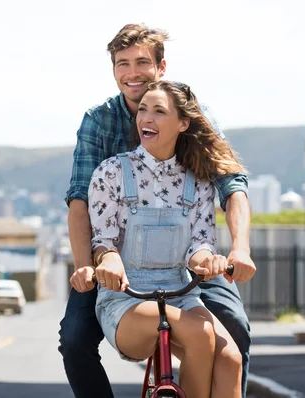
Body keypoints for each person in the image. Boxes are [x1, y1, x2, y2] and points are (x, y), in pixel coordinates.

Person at [59, 23, 256, 398]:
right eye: (122, 64)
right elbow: (82, 202)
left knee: (234, 332)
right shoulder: (100, 126)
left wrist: (237, 250)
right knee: (74, 339)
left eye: (141, 63)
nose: (132, 73)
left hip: (181, 269)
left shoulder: (191, 122)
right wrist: (91, 262)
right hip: (118, 267)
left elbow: (231, 186)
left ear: (160, 68)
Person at [92, 80, 246, 398]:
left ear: (183, 123)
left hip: (181, 293)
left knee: (231, 358)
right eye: (143, 110)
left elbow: (199, 246)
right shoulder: (111, 173)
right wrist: (108, 259)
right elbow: (102, 241)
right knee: (199, 335)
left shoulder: (198, 180)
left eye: (159, 111)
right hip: (125, 298)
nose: (146, 118)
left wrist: (210, 260)